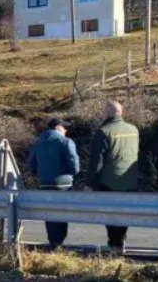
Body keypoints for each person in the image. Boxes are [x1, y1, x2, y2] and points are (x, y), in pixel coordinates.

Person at [88, 100, 140, 253]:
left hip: (109, 181)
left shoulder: (104, 131)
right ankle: (122, 241)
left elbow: (96, 161)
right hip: (130, 181)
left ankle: (115, 245)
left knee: (110, 215)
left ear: (109, 113)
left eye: (104, 111)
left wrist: (91, 183)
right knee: (124, 214)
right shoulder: (134, 129)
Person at [28, 118, 79, 250]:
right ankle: (59, 244)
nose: (66, 131)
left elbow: (31, 166)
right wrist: (72, 173)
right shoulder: (66, 142)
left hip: (44, 184)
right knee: (62, 214)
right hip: (63, 185)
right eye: (64, 128)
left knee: (49, 215)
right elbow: (74, 165)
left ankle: (53, 243)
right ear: (58, 128)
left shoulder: (38, 143)